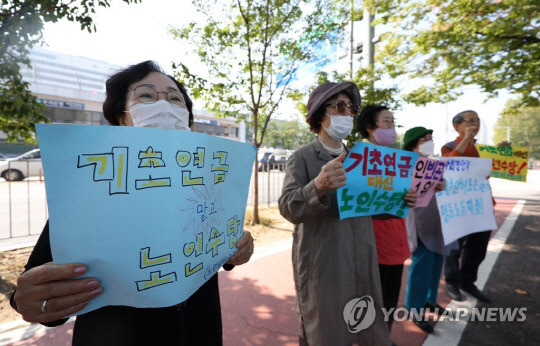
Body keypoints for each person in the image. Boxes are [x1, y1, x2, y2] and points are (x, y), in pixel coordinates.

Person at [10, 61, 254, 345]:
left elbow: (219, 246)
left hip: (200, 329)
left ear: (189, 120)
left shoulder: (209, 184)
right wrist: (34, 301)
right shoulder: (90, 193)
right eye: (147, 96)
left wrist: (237, 249)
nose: (164, 105)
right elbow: (39, 294)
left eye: (175, 99)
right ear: (121, 118)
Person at [278, 82, 389, 345]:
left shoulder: (362, 160)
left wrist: (404, 199)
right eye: (339, 105)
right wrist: (318, 186)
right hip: (325, 267)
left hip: (363, 260)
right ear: (319, 113)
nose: (348, 113)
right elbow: (288, 207)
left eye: (352, 108)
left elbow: (375, 206)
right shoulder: (302, 158)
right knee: (326, 333)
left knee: (366, 330)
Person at [355, 105, 416, 339]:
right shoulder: (359, 157)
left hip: (395, 241)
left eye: (393, 122)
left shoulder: (396, 160)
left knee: (389, 299)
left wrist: (413, 195)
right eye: (386, 122)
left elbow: (409, 194)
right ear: (371, 128)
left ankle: (382, 338)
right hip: (372, 244)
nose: (392, 128)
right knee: (369, 301)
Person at [442, 110, 507, 304]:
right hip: (457, 206)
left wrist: (500, 152)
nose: (475, 124)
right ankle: (452, 281)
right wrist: (466, 140)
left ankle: (467, 281)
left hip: (481, 205)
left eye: (477, 121)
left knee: (478, 248)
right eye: (470, 121)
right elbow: (449, 165)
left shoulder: (483, 150)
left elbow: (489, 171)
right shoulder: (449, 147)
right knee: (454, 248)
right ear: (457, 126)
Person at [402, 127, 447, 334]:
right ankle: (414, 308)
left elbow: (435, 186)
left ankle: (429, 299)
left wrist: (440, 185)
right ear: (413, 143)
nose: (430, 141)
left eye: (431, 137)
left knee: (436, 260)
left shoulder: (432, 163)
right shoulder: (406, 163)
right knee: (422, 263)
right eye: (424, 138)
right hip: (419, 219)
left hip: (435, 220)